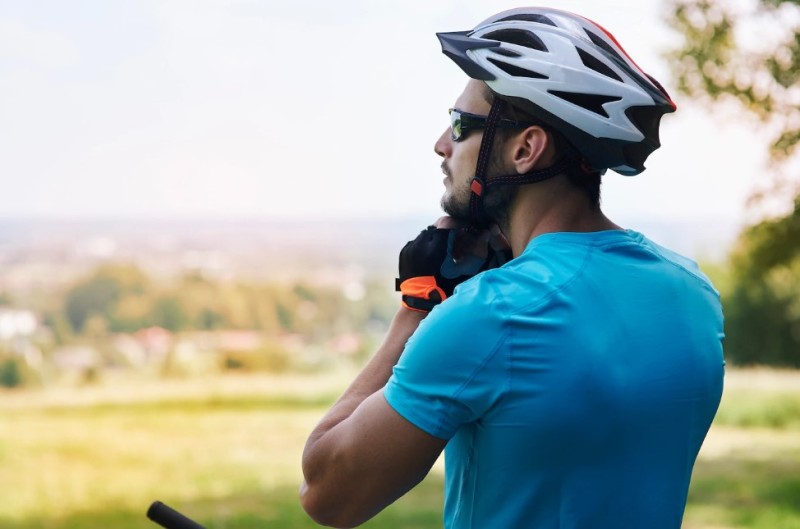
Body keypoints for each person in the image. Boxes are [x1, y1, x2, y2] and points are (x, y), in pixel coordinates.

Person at [299, 7, 725, 529]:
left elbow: (328, 493)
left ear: (526, 149)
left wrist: (417, 308)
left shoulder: (493, 315)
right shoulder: (693, 293)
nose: (441, 144)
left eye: (460, 125)